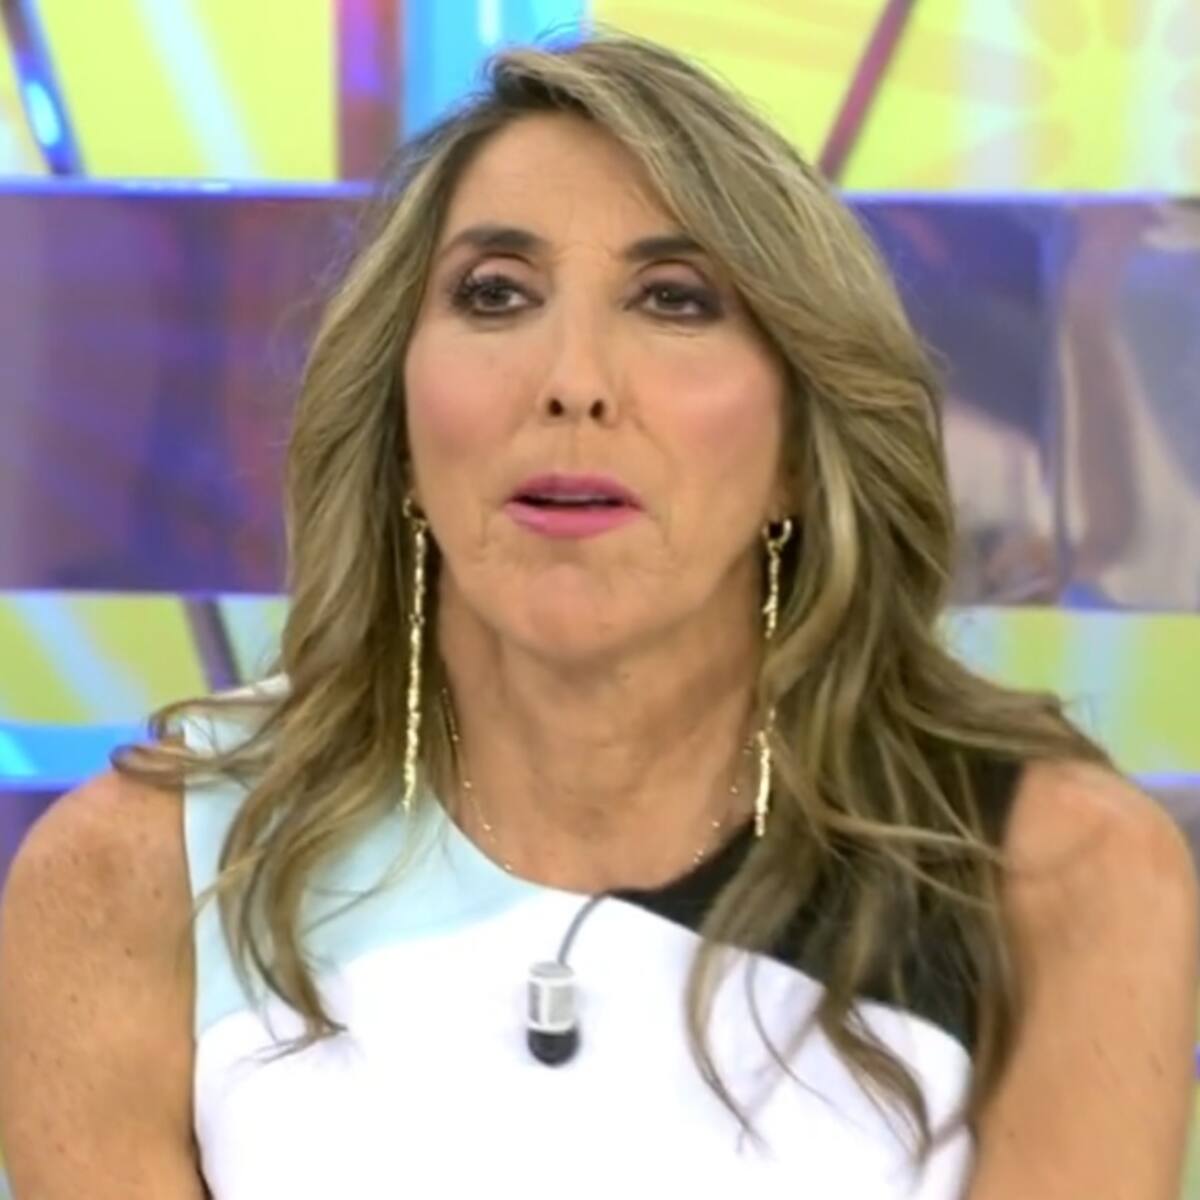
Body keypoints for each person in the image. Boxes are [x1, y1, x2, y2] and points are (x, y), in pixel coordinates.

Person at [0, 32, 1195, 1200]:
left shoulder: (1056, 876)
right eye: (495, 294)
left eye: (674, 300)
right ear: (402, 430)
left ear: (798, 443)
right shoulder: (137, 879)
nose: (573, 381)